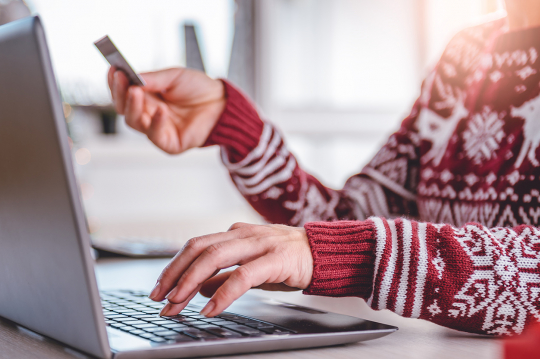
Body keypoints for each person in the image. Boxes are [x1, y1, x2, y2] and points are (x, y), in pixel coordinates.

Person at [108, 0, 540, 336]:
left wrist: (349, 254)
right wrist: (233, 124)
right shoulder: (465, 56)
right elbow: (349, 220)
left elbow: (353, 244)